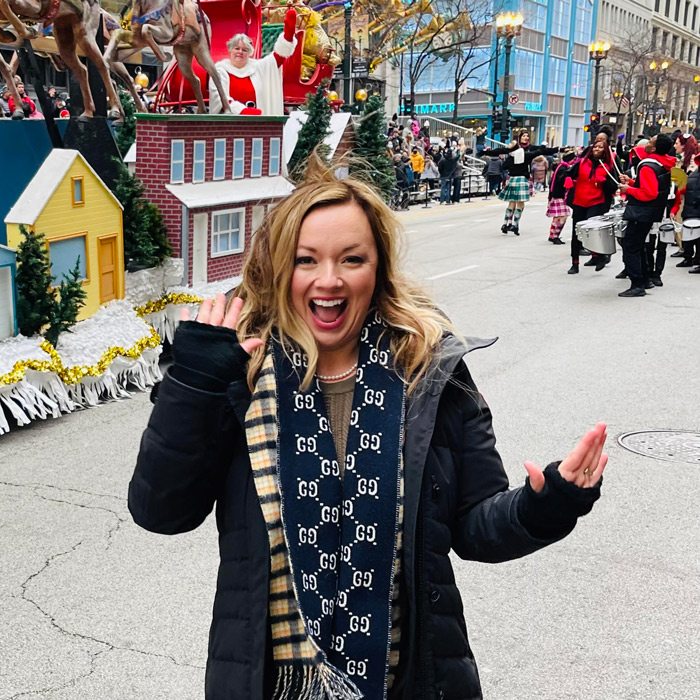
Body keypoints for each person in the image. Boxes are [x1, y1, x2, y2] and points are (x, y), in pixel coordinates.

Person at [130, 158, 606, 700]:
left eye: (351, 259)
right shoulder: (237, 374)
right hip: (267, 683)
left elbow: (475, 526)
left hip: (408, 682)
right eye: (306, 260)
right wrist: (193, 384)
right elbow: (161, 512)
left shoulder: (429, 370)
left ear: (376, 269)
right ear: (281, 268)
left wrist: (548, 505)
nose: (328, 280)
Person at [617, 134, 675, 297]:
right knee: (639, 245)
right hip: (652, 211)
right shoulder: (662, 163)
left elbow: (649, 193)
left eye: (650, 141)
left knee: (630, 246)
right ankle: (644, 279)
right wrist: (631, 182)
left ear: (654, 148)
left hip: (642, 210)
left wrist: (628, 189)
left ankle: (637, 284)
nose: (647, 143)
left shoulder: (648, 165)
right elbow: (652, 185)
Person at [208, 9, 297, 116]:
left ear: (250, 53)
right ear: (230, 50)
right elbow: (219, 97)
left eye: (244, 50)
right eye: (237, 48)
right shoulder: (220, 70)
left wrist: (288, 36)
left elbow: (278, 58)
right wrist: (242, 111)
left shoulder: (257, 67)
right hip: (230, 124)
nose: (240, 52)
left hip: (256, 121)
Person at [482, 130, 558, 235]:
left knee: (512, 202)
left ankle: (506, 223)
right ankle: (515, 224)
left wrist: (486, 152)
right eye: (524, 136)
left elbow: (503, 161)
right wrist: (557, 149)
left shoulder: (512, 155)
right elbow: (540, 151)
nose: (526, 138)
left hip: (512, 179)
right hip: (522, 179)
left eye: (527, 136)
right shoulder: (526, 155)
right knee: (520, 204)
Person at [560, 141, 617, 274]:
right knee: (576, 233)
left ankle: (599, 256)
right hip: (580, 201)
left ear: (605, 151)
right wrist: (568, 179)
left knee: (593, 232)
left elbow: (614, 186)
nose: (597, 149)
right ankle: (575, 263)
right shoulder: (582, 163)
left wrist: (605, 182)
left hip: (597, 202)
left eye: (600, 147)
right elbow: (567, 173)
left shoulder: (608, 167)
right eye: (595, 147)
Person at [545, 149, 575, 246]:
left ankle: (552, 235)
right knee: (562, 217)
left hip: (555, 195)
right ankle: (555, 236)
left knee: (557, 217)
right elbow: (563, 182)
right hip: (560, 196)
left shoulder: (560, 167)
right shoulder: (564, 169)